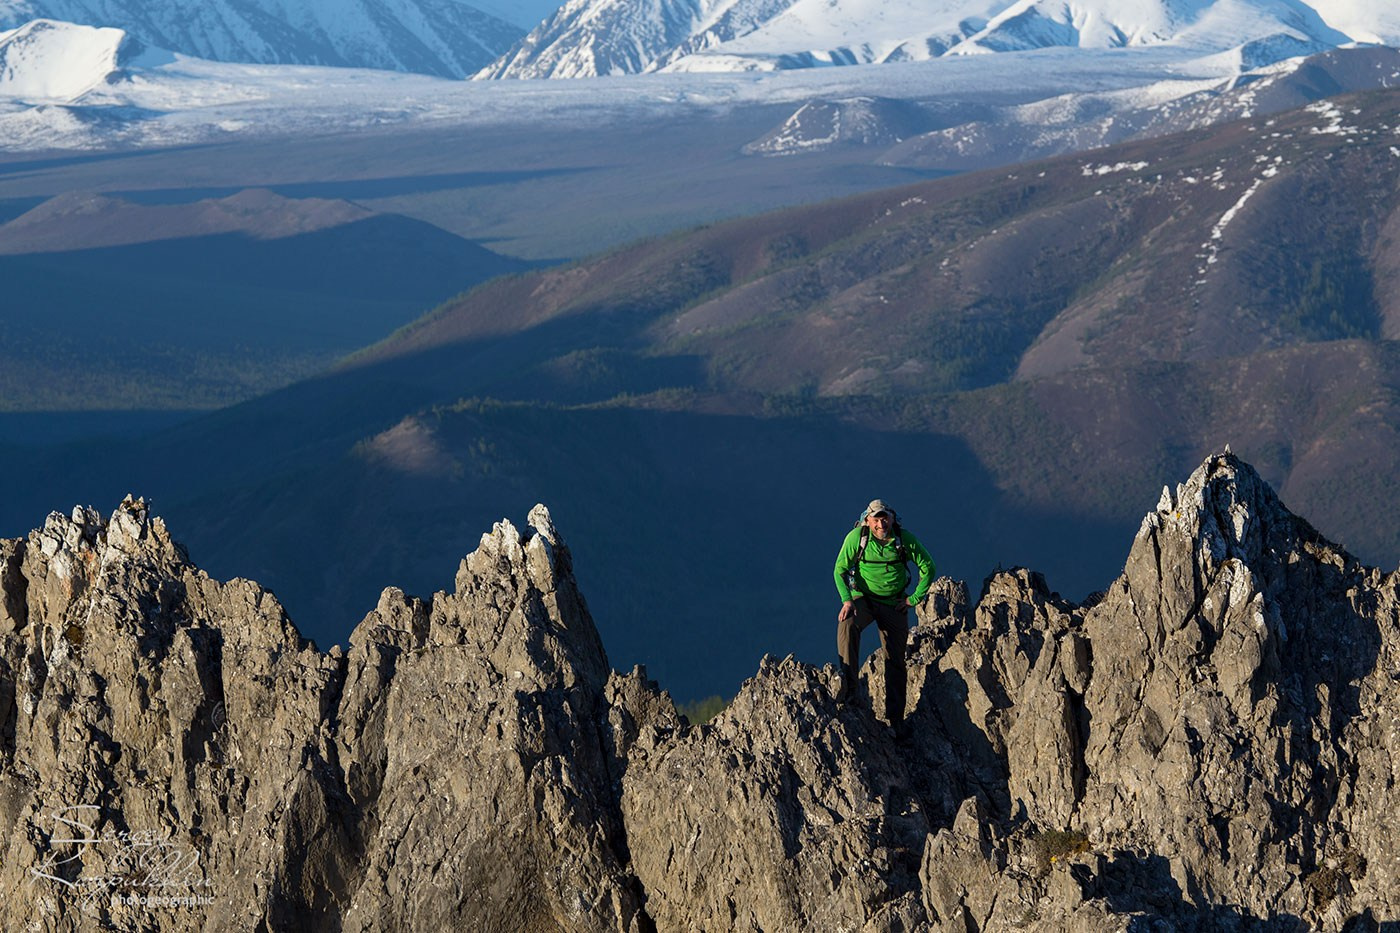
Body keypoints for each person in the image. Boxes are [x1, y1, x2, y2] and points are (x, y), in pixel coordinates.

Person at [832, 499, 936, 737]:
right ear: (867, 521)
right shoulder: (857, 538)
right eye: (876, 519)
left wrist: (914, 599)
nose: (881, 524)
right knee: (847, 625)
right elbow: (839, 569)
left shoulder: (903, 539)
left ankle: (896, 720)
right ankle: (850, 692)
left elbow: (928, 566)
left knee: (896, 659)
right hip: (864, 599)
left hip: (895, 604)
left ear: (891, 518)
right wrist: (847, 601)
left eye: (884, 518)